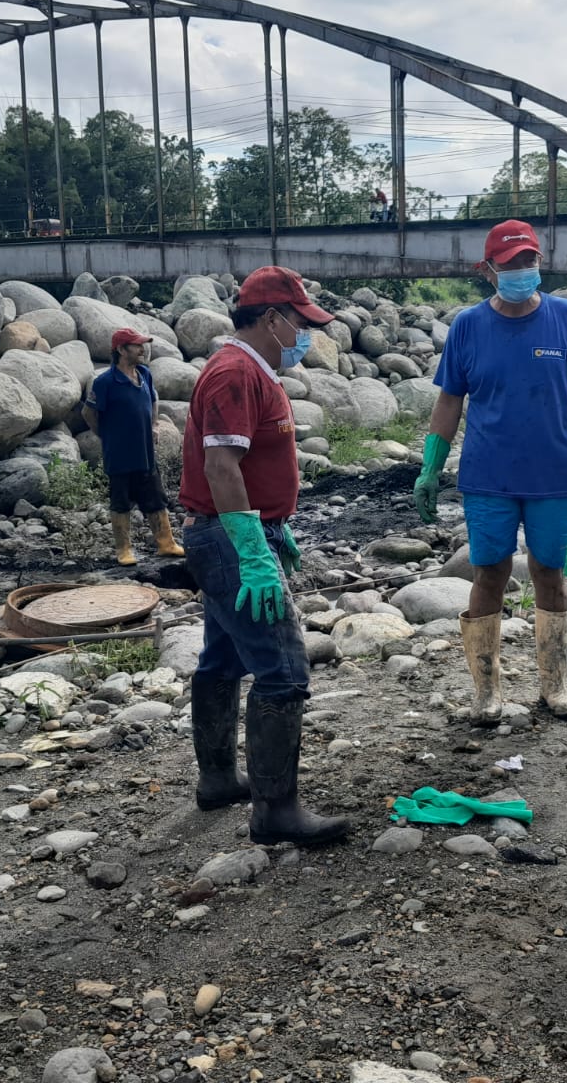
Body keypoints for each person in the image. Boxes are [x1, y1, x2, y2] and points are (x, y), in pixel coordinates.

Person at [177, 265, 351, 846]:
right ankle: (276, 812)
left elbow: (245, 465)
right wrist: (254, 550)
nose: (307, 335)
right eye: (302, 323)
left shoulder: (251, 369)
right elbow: (221, 466)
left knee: (222, 658)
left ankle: (218, 778)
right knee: (283, 671)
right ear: (272, 318)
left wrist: (277, 526)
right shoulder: (235, 373)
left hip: (234, 531)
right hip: (231, 539)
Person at [414, 219, 567, 724]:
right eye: (510, 264)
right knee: (489, 570)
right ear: (487, 270)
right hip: (489, 476)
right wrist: (430, 466)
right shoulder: (468, 326)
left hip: (557, 475)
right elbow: (450, 400)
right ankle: (486, 691)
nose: (522, 270)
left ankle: (554, 684)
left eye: (529, 260)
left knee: (550, 572)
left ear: (540, 261)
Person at [83, 328, 185, 566]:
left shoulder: (144, 374)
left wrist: (154, 425)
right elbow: (88, 413)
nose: (142, 349)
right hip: (119, 455)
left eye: (143, 345)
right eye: (137, 345)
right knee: (121, 502)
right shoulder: (105, 382)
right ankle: (124, 550)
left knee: (156, 498)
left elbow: (153, 400)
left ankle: (166, 543)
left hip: (145, 452)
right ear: (121, 350)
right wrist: (106, 435)